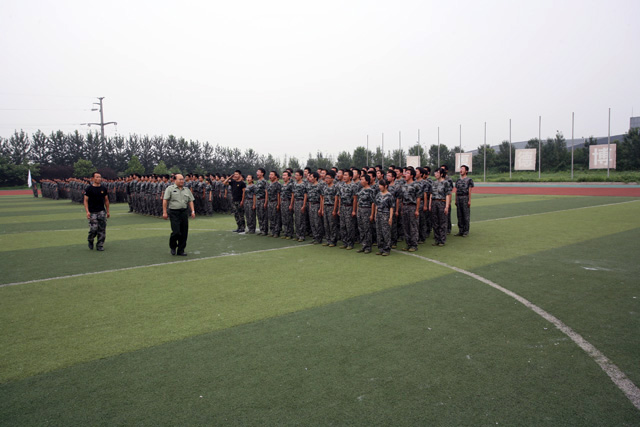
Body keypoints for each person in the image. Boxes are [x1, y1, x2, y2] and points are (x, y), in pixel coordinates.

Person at [162, 174, 196, 256]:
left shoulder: (186, 190)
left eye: (182, 179)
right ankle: (173, 246)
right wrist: (164, 212)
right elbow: (165, 200)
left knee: (184, 232)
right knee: (176, 232)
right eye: (180, 179)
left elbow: (190, 200)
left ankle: (181, 250)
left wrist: (193, 211)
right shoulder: (170, 189)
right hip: (174, 212)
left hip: (184, 212)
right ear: (175, 180)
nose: (182, 181)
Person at [83, 172, 110, 251]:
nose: (99, 179)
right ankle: (90, 239)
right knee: (93, 229)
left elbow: (106, 200)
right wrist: (87, 211)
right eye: (97, 177)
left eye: (100, 177)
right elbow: (85, 200)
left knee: (102, 229)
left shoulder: (103, 188)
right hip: (92, 212)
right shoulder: (89, 189)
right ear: (93, 178)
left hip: (101, 211)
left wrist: (108, 211)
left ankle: (100, 245)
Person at [400, 168, 422, 252]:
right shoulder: (403, 186)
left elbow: (418, 198)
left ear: (412, 175)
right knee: (406, 226)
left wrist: (417, 210)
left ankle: (414, 245)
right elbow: (402, 199)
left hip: (412, 206)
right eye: (405, 173)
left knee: (413, 226)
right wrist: (402, 209)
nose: (405, 174)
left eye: (407, 173)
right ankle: (408, 244)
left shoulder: (416, 185)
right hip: (405, 206)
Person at [431, 168, 452, 246]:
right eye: (435, 173)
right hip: (434, 203)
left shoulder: (446, 183)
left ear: (442, 174)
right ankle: (437, 239)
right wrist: (430, 205)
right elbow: (431, 194)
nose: (435, 174)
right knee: (435, 222)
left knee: (442, 222)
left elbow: (447, 195)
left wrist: (447, 206)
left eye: (437, 173)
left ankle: (442, 240)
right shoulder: (434, 183)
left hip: (442, 202)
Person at [355, 174, 375, 253]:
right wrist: (357, 211)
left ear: (367, 181)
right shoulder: (361, 190)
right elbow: (358, 201)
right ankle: (363, 245)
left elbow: (373, 203)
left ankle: (368, 247)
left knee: (367, 229)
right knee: (361, 229)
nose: (361, 181)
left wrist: (372, 214)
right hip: (360, 210)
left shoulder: (371, 190)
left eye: (362, 179)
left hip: (367, 210)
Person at [374, 179, 394, 256]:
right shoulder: (378, 194)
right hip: (379, 214)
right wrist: (375, 214)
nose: (379, 187)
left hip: (386, 214)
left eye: (381, 185)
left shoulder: (389, 195)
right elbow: (376, 205)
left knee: (386, 232)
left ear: (385, 186)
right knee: (379, 232)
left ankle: (387, 249)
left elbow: (391, 207)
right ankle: (381, 248)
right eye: (379, 185)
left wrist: (390, 218)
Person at [320, 170, 339, 247]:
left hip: (332, 206)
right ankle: (328, 240)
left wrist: (334, 210)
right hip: (325, 206)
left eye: (328, 178)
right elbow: (323, 198)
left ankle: (333, 241)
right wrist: (322, 209)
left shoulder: (335, 187)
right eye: (326, 178)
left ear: (332, 179)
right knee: (326, 224)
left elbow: (336, 199)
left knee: (332, 225)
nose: (326, 179)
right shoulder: (324, 187)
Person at [455, 165, 474, 237]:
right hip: (459, 198)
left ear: (466, 171)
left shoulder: (469, 180)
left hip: (465, 197)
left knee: (465, 215)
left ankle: (466, 231)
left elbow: (469, 191)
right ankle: (460, 230)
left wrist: (469, 200)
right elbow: (456, 190)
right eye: (460, 169)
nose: (461, 170)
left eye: (462, 169)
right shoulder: (458, 180)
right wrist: (456, 199)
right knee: (459, 215)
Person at [292, 170, 308, 242]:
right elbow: (293, 194)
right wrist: (292, 204)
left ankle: (302, 235)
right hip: (296, 202)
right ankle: (298, 235)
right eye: (295, 175)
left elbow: (305, 195)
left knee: (301, 219)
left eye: (297, 175)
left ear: (301, 176)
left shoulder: (303, 184)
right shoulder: (294, 184)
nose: (295, 176)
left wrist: (304, 205)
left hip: (301, 202)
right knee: (296, 219)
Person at [266, 171, 282, 237]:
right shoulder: (269, 184)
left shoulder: (278, 184)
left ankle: (276, 232)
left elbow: (279, 195)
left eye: (272, 175)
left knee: (276, 217)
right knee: (271, 217)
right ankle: (272, 231)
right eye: (269, 174)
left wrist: (278, 204)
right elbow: (267, 194)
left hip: (275, 202)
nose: (270, 176)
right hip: (270, 202)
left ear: (275, 176)